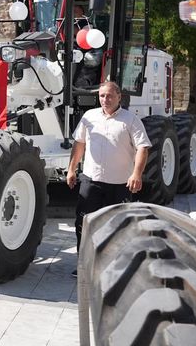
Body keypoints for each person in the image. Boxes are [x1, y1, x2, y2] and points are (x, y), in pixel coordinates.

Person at [67, 81, 152, 277]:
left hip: (120, 184)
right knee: (84, 224)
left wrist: (137, 174)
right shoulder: (89, 117)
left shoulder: (130, 120)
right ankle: (85, 265)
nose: (105, 99)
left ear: (119, 97)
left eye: (110, 96)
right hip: (91, 181)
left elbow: (142, 148)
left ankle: (116, 268)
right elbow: (79, 144)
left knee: (119, 227)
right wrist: (71, 169)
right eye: (102, 96)